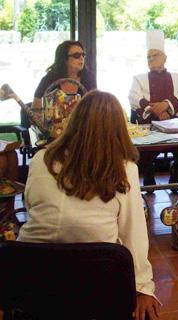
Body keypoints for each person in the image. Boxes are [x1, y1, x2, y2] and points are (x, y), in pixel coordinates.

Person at [18, 90, 161, 320]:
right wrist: (144, 287)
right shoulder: (124, 169)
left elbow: (31, 206)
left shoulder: (40, 159)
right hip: (95, 283)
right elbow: (133, 232)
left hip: (32, 280)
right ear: (119, 128)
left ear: (74, 120)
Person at [129, 30, 178, 190]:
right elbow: (133, 97)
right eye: (148, 57)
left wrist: (166, 105)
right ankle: (149, 182)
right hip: (148, 128)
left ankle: (175, 180)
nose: (151, 59)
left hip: (175, 129)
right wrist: (156, 110)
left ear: (164, 57)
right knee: (141, 154)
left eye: (155, 55)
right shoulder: (139, 78)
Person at [33, 40, 96, 108]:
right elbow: (36, 106)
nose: (81, 58)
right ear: (64, 59)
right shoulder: (49, 78)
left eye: (83, 55)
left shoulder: (89, 78)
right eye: (76, 55)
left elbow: (95, 106)